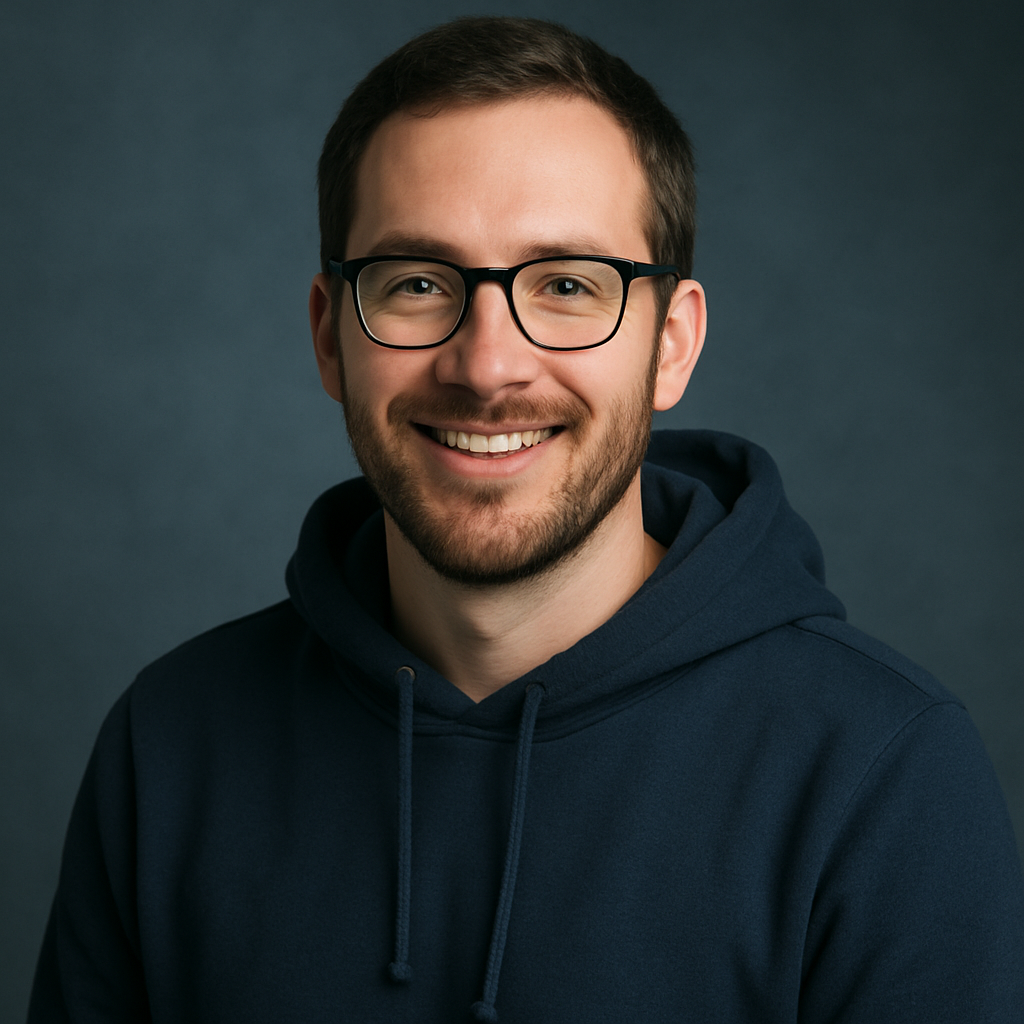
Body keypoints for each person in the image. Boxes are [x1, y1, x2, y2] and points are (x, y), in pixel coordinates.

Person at [29, 16, 1024, 1023]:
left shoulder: (883, 774)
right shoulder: (171, 744)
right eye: (418, 283)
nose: (487, 365)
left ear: (670, 345)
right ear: (331, 338)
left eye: (565, 286)